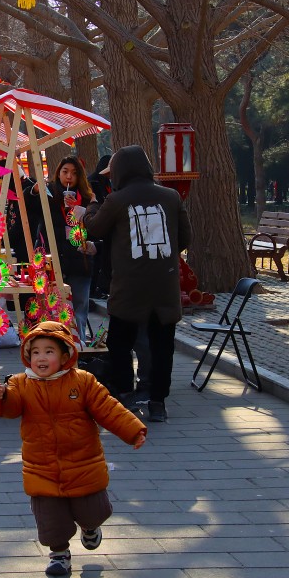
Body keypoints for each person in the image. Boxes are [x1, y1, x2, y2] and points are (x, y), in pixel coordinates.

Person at [0, 321, 146, 576]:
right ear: (28, 356)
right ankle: (59, 554)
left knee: (94, 511)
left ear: (64, 355)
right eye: (35, 352)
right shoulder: (21, 383)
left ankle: (91, 527)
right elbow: (11, 407)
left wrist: (133, 430)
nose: (41, 358)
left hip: (83, 462)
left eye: (49, 351)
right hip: (41, 466)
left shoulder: (82, 382)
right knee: (50, 519)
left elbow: (108, 408)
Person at [83, 145, 192, 422]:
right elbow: (185, 238)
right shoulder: (170, 196)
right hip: (164, 285)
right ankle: (157, 402)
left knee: (120, 343)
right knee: (162, 346)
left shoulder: (117, 200)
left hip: (129, 286)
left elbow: (94, 228)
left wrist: (92, 205)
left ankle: (125, 394)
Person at [28, 156, 96, 343]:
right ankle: (55, 343)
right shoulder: (49, 193)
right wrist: (34, 190)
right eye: (65, 172)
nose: (69, 177)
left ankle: (78, 343)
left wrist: (85, 210)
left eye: (74, 173)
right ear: (58, 173)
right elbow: (29, 205)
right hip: (53, 257)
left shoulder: (88, 196)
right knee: (54, 305)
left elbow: (96, 226)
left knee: (80, 305)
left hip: (80, 259)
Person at [87, 155, 113, 299]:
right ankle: (94, 288)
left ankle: (100, 286)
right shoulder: (94, 181)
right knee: (96, 260)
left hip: (103, 225)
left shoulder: (105, 182)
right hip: (93, 223)